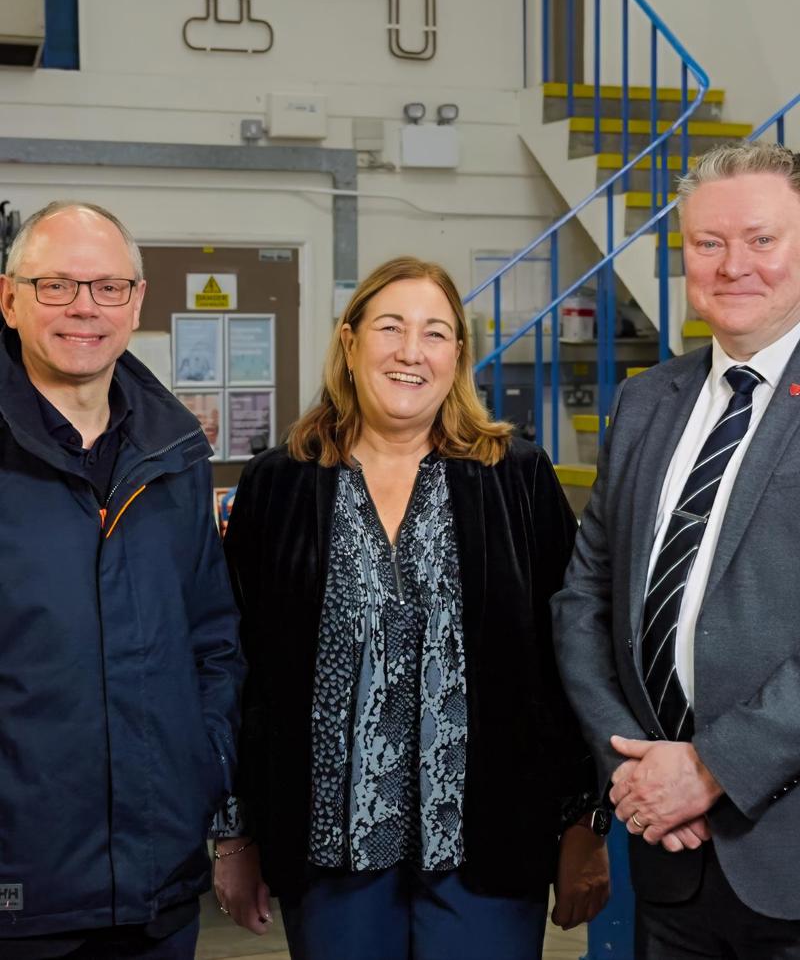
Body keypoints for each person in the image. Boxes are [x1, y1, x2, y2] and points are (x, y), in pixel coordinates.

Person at [213, 256, 609, 960]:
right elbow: (244, 672)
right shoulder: (279, 485)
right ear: (349, 340)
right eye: (390, 327)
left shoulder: (514, 477)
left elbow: (569, 657)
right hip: (329, 856)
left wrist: (585, 820)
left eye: (435, 332)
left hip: (487, 851)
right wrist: (235, 832)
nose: (409, 351)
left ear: (457, 354)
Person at [551, 142, 800, 958]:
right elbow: (584, 598)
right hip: (667, 850)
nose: (734, 266)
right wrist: (634, 763)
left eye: (762, 240)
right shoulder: (646, 400)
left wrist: (713, 766)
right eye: (708, 244)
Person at [0, 202, 245, 959]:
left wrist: (201, 770)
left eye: (107, 286)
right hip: (18, 891)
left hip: (155, 889)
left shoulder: (176, 455)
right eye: (56, 286)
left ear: (136, 302)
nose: (84, 307)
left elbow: (214, 641)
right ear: (8, 299)